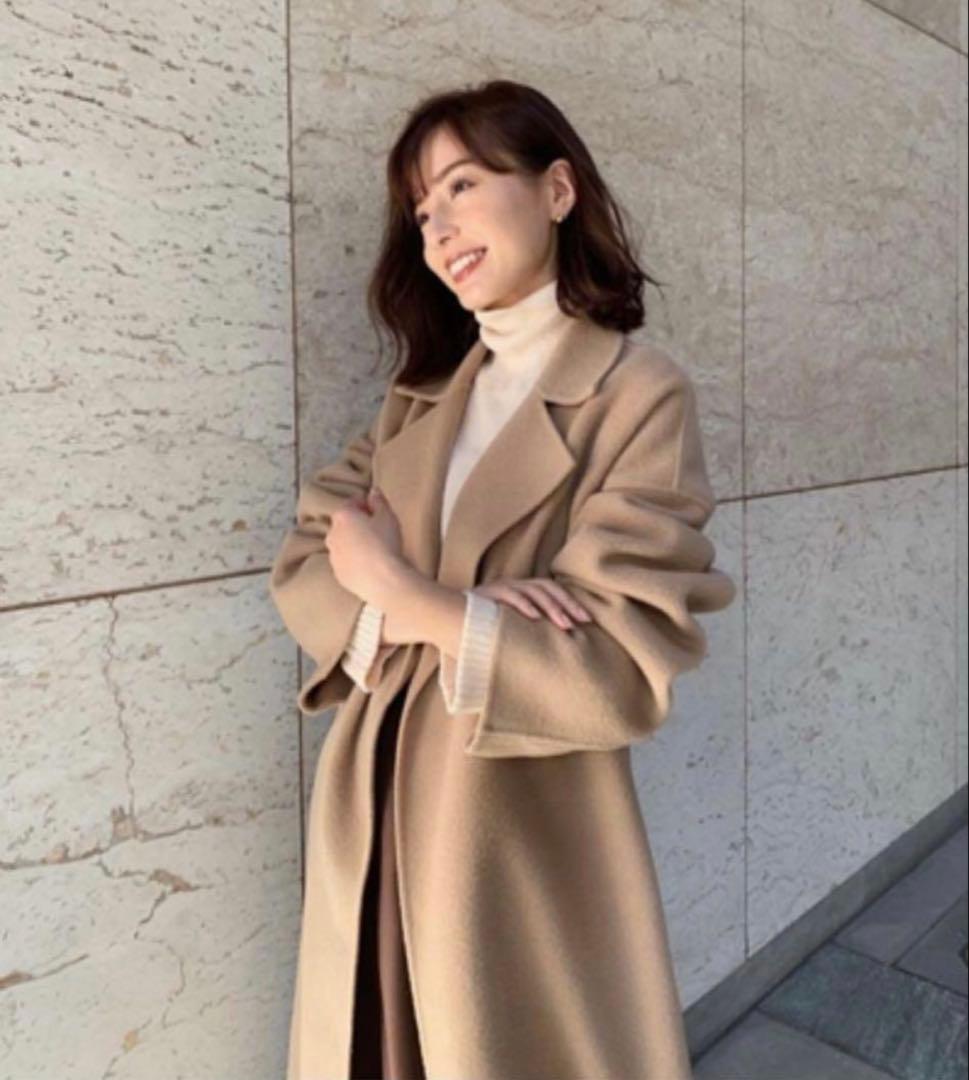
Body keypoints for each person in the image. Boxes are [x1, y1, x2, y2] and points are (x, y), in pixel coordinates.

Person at [270, 78, 737, 1080]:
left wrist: (409, 596)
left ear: (557, 190)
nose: (438, 228)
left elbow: (617, 657)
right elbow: (309, 560)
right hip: (375, 796)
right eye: (421, 211)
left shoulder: (635, 394)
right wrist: (455, 610)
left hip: (514, 824)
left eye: (463, 186)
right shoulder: (418, 403)